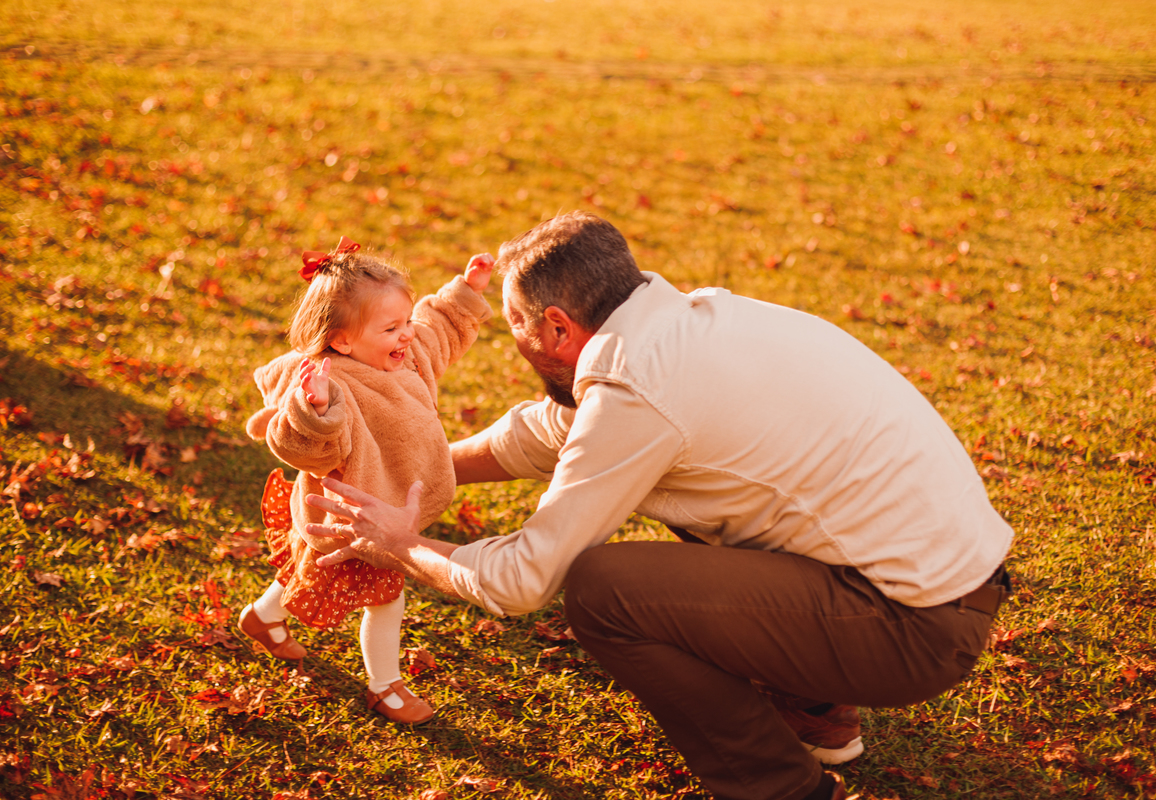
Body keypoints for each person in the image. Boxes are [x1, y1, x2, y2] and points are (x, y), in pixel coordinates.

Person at [307, 212, 1014, 800]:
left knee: (604, 591)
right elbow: (555, 432)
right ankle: (819, 713)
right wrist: (404, 469)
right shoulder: (686, 322)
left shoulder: (638, 389)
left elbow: (521, 581)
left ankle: (781, 790)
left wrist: (398, 542)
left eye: (517, 327)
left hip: (915, 628)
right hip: (939, 585)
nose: (516, 343)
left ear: (556, 328)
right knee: (701, 504)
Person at [238, 236, 493, 725]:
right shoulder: (331, 386)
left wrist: (467, 290)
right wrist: (316, 410)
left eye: (406, 322)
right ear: (342, 341)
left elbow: (436, 331)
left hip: (387, 505)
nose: (406, 335)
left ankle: (263, 617)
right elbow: (303, 449)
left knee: (303, 570)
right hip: (355, 520)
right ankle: (385, 687)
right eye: (391, 328)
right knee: (387, 601)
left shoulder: (405, 355)